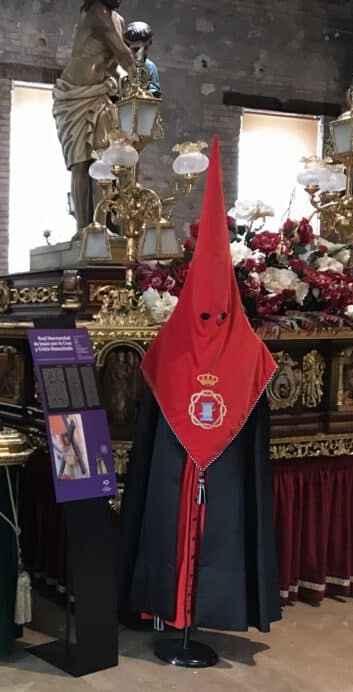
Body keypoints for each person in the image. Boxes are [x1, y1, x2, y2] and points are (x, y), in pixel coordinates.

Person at [117, 138, 282, 636]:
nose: (211, 321)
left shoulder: (251, 351)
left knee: (224, 531)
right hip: (175, 472)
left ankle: (212, 611)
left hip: (223, 475)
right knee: (168, 529)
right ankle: (164, 610)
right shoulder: (169, 345)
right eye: (201, 309)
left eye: (220, 311)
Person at [54, 0, 136, 235]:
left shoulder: (119, 20)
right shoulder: (95, 11)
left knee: (104, 157)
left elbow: (113, 62)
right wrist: (143, 83)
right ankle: (82, 228)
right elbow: (122, 52)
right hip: (74, 93)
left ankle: (100, 224)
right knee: (80, 162)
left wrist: (122, 85)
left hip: (100, 93)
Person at [122, 21, 161, 97]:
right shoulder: (117, 66)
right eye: (136, 49)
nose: (141, 54)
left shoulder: (150, 67)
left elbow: (154, 97)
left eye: (145, 48)